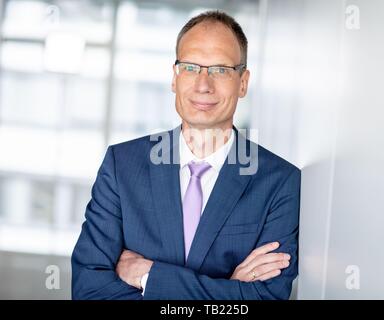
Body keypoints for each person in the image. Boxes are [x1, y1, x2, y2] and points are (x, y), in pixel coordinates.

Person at [71, 10, 300, 300]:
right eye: (191, 67)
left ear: (243, 82)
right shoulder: (122, 166)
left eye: (220, 69)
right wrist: (229, 290)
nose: (204, 85)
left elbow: (265, 298)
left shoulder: (281, 183)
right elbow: (89, 291)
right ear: (174, 77)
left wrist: (148, 276)